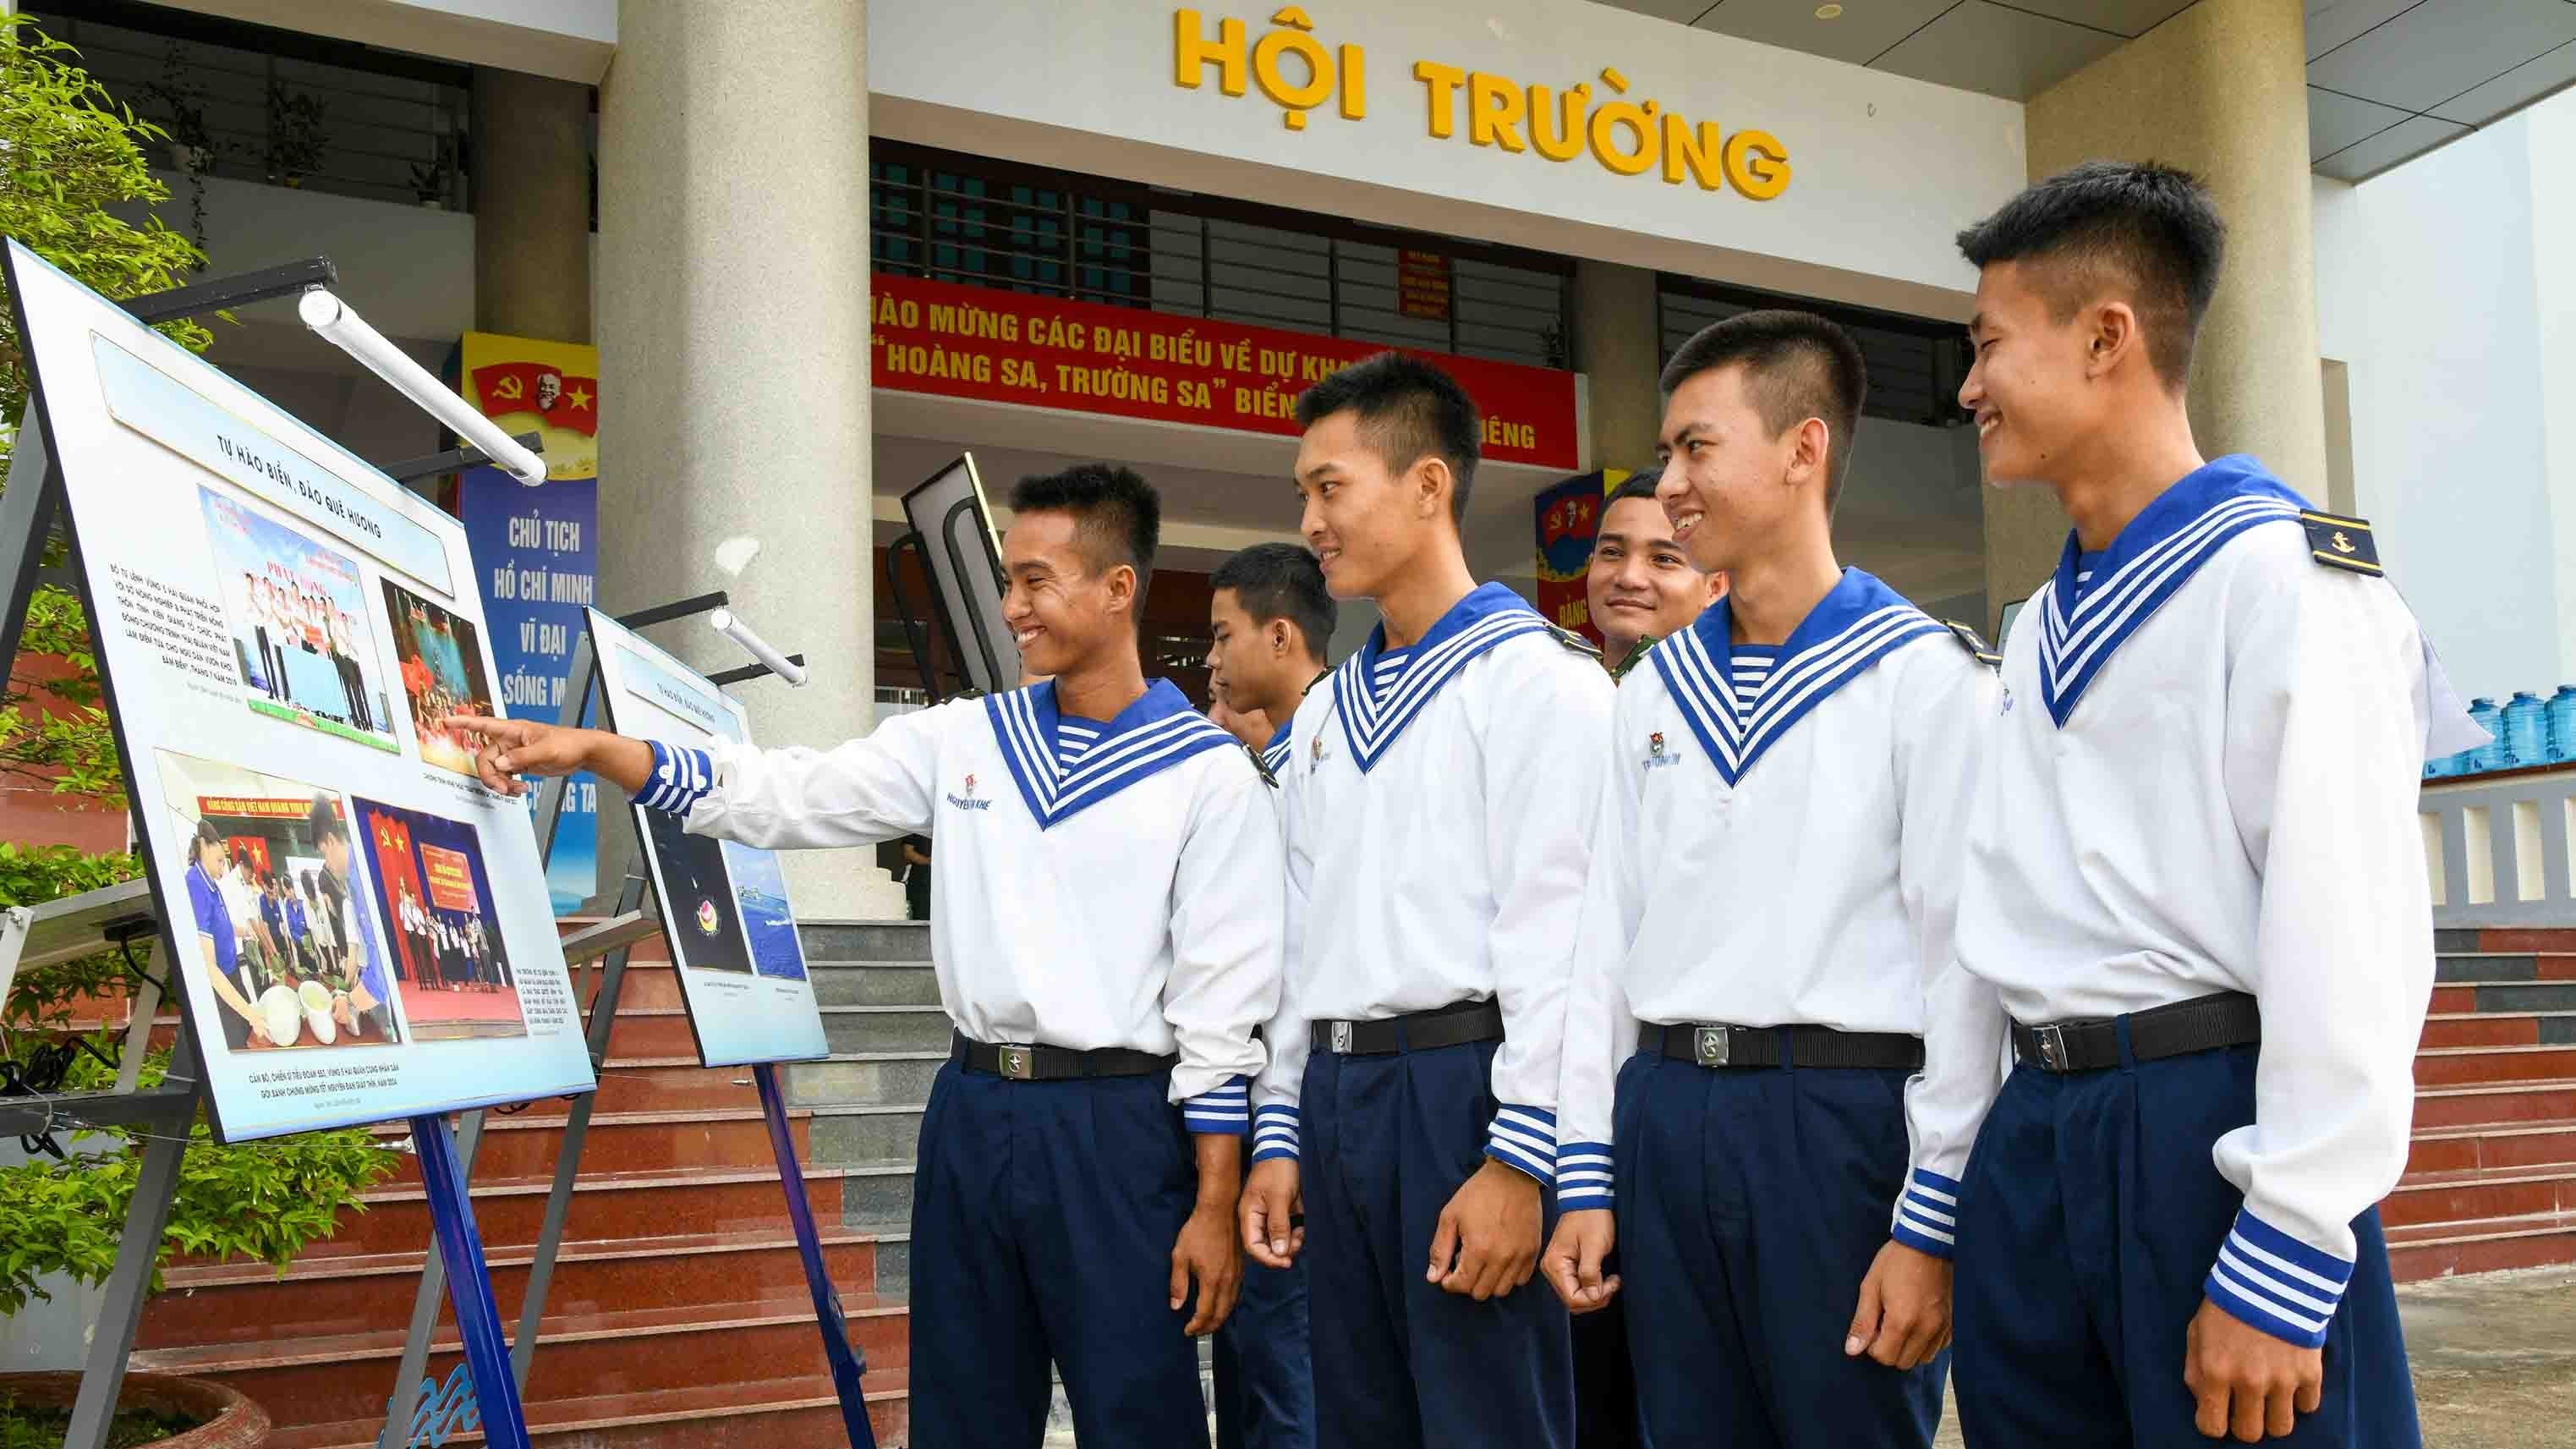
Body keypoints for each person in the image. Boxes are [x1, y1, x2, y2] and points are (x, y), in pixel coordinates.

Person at [442, 463, 1283, 1449]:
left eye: (1035, 582)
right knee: (963, 1411)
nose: (1011, 606)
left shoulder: (1207, 778)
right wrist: (599, 751)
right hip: (971, 1114)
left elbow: (1221, 1015)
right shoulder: (967, 738)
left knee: (1138, 1413)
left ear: (1116, 589)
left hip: (1120, 1132)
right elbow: (783, 792)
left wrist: (1214, 1203)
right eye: (1006, 580)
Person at [1940, 161, 2438, 1447]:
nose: (1967, 387)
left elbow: (2352, 928)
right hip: (2039, 1132)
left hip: (2206, 1129)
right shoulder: (2038, 622)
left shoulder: (2284, 582)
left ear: (2106, 337)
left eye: (1989, 345)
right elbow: (1985, 913)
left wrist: (2287, 1241)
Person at [1541, 311, 1997, 1449]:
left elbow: (1963, 966)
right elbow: (1605, 940)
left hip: (1835, 1124)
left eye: (1697, 447)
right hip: (1666, 1116)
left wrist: (1928, 1215)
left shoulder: (1923, 680)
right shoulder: (1650, 693)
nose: (1670, 483)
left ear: (1802, 450)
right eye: (1666, 452)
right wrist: (1585, 1170)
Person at [1241, 354, 1609, 1449]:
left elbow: (1571, 946)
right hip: (1339, 1100)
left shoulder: (1543, 683)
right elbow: (1297, 941)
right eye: (1302, 491)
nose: (1309, 518)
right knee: (1360, 1420)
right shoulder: (1325, 714)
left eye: (1330, 486)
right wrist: (1277, 1131)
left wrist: (1523, 1156)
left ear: (1429, 485)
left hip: (1469, 1091)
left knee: (1488, 1418)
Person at [1203, 541, 1335, 1449]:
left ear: (1280, 635)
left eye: (1222, 637)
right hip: (1248, 1104)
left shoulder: (1335, 767)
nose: (1208, 661)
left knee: (1292, 1373)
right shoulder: (1264, 770)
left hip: (1306, 1108)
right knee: (1253, 1364)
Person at [1207, 541, 1335, 783]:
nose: (1212, 658)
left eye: (1224, 637)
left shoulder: (1343, 745)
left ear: (1279, 638)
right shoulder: (1288, 752)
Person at [1582, 467, 1727, 681]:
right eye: (1612, 552)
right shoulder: (1551, 701)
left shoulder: (1741, 708)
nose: (1629, 578)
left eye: (1664, 559)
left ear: (1715, 587)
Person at [310, 798, 400, 1044]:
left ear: (330, 841)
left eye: (324, 855)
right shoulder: (353, 879)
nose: (327, 865)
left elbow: (381, 971)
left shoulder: (360, 879)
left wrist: (350, 1002)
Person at [184, 820, 271, 1051]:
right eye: (221, 861)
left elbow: (221, 925)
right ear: (204, 845)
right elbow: (209, 968)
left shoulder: (212, 885)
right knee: (236, 1042)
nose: (223, 870)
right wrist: (250, 1014)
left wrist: (244, 932)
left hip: (232, 973)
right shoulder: (195, 885)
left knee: (245, 1032)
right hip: (219, 984)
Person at [900, 836, 934, 924]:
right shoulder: (919, 825)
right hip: (922, 883)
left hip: (943, 882)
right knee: (923, 919)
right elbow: (908, 852)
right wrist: (930, 861)